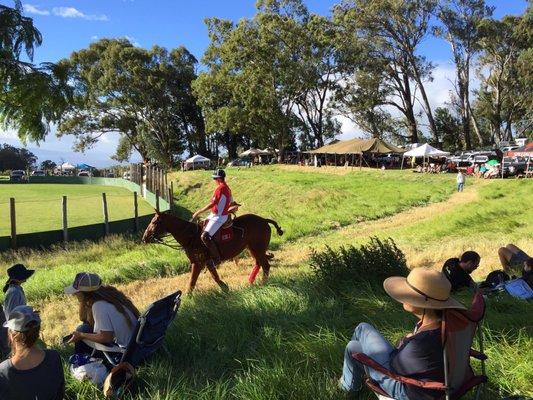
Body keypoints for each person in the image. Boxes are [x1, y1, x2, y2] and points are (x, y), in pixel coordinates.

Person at [340, 268, 466, 400]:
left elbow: (396, 366)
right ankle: (346, 387)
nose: (402, 295)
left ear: (423, 303)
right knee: (353, 346)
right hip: (435, 384)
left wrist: (404, 341)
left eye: (408, 293)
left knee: (362, 328)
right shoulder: (446, 326)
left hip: (408, 390)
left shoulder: (421, 342)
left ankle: (346, 388)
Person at [64, 272, 140, 358]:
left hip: (126, 353)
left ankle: (81, 363)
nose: (74, 294)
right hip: (136, 344)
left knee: (82, 330)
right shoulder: (110, 295)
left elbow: (106, 337)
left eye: (76, 292)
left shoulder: (99, 305)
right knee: (84, 328)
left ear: (84, 293)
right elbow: (83, 318)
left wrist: (81, 335)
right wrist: (83, 300)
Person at [0, 305, 65, 400]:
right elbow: (60, 393)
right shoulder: (54, 357)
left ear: (11, 335)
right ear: (37, 331)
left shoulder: (3, 371)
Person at [191, 168, 233, 269]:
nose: (214, 181)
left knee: (204, 236)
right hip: (215, 215)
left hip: (219, 217)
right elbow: (231, 202)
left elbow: (212, 204)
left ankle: (217, 259)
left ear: (218, 179)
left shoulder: (220, 188)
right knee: (201, 227)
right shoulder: (227, 188)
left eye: (214, 179)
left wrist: (199, 212)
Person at [1, 264, 35, 358]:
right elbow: (11, 314)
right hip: (16, 327)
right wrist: (16, 331)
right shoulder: (14, 292)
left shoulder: (17, 289)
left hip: (19, 325)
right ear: (18, 278)